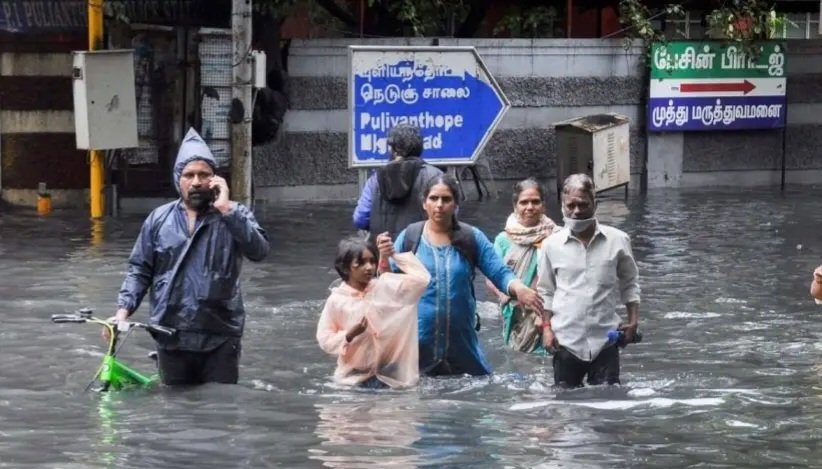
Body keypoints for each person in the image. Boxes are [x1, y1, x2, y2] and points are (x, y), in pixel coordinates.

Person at [111, 128, 270, 386]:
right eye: (189, 175)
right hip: (171, 333)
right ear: (179, 179)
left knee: (218, 409)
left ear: (215, 179)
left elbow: (260, 251)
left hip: (220, 334)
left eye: (203, 174)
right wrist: (122, 313)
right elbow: (140, 270)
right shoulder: (158, 219)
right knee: (174, 412)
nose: (196, 181)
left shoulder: (234, 214)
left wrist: (227, 210)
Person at [376, 174, 544, 377]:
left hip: (462, 346)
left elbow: (499, 272)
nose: (439, 205)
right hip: (416, 345)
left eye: (446, 199)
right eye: (434, 199)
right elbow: (386, 287)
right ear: (424, 203)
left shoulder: (471, 237)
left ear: (456, 203)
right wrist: (384, 258)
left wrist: (520, 289)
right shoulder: (410, 237)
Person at [536, 173, 640, 388]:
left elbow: (630, 283)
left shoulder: (618, 240)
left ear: (595, 204)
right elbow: (546, 291)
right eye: (570, 205)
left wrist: (633, 321)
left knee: (607, 404)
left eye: (582, 205)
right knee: (565, 405)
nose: (576, 211)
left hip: (605, 341)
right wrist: (546, 328)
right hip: (565, 341)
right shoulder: (550, 245)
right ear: (563, 205)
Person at [316, 236, 430, 389]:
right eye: (361, 263)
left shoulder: (383, 288)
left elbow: (421, 280)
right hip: (353, 379)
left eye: (372, 261)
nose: (369, 267)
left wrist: (392, 255)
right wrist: (349, 334)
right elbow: (325, 340)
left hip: (391, 376)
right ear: (345, 267)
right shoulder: (337, 301)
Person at [487, 178, 557, 354]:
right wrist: (504, 295)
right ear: (515, 206)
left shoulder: (557, 237)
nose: (530, 207)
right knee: (518, 360)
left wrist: (546, 312)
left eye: (535, 201)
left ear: (543, 206)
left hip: (550, 314)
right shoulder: (504, 240)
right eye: (524, 202)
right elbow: (491, 276)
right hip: (515, 314)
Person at [352, 124, 443, 239]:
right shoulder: (435, 177)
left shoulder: (375, 180)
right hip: (421, 252)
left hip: (384, 252)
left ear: (393, 150)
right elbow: (448, 216)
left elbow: (360, 219)